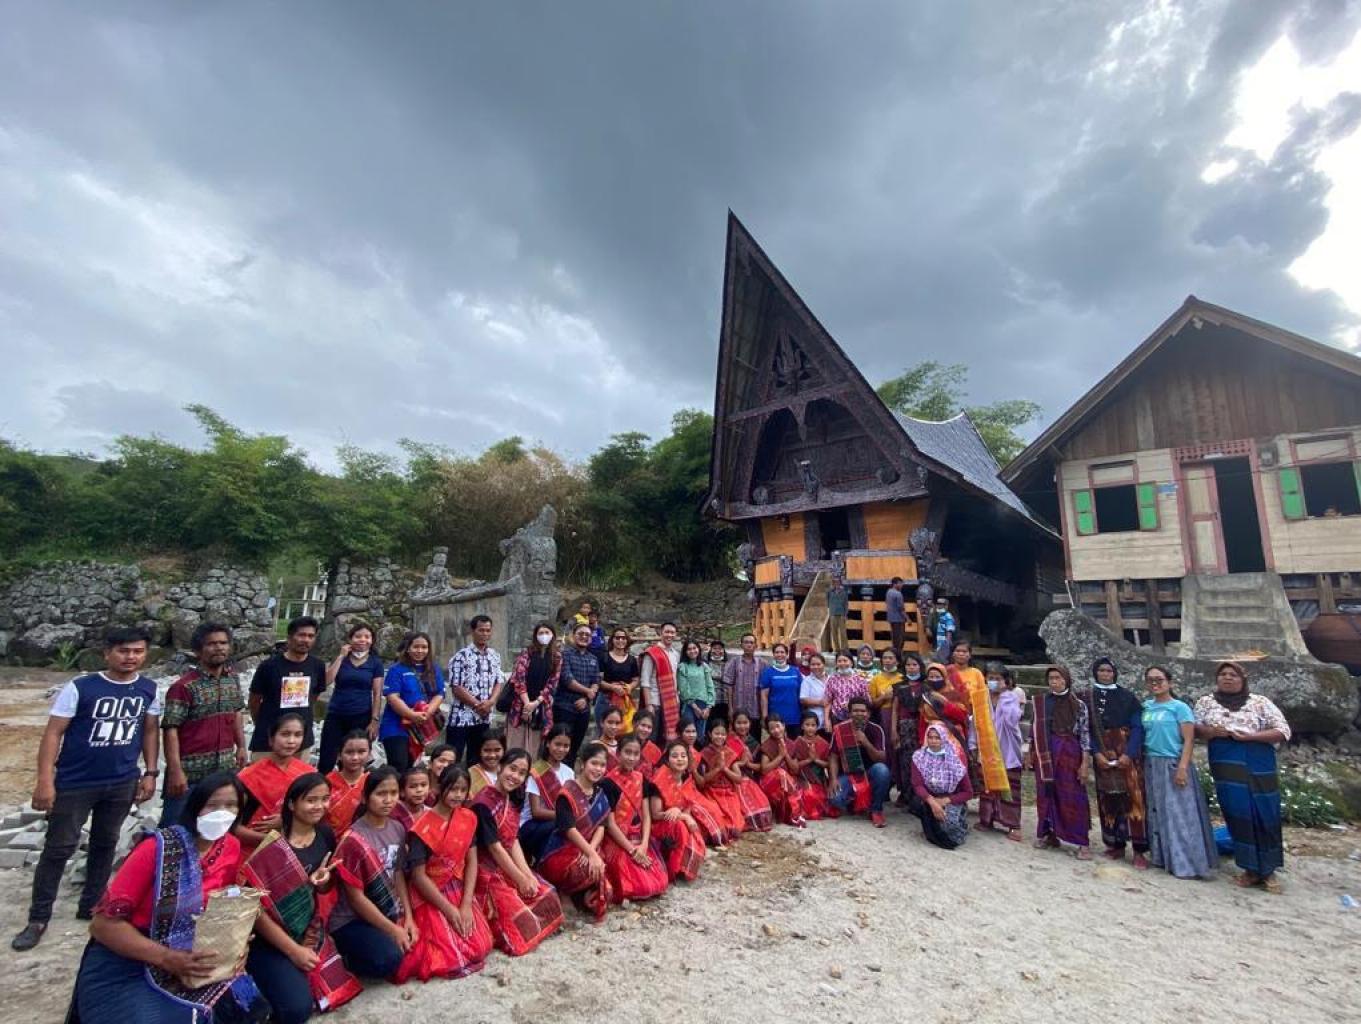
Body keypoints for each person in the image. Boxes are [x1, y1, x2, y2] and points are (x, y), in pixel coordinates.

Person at [67, 771, 267, 1022]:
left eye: (231, 806)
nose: (222, 813)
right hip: (132, 957)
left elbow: (218, 906)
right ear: (195, 807)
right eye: (213, 805)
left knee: (250, 1008)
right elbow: (103, 925)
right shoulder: (157, 849)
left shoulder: (230, 847)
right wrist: (168, 958)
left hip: (192, 951)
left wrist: (234, 940)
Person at [14, 626, 161, 952]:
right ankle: (38, 918)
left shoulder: (148, 689)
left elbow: (150, 731)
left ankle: (92, 904)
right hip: (76, 781)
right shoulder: (82, 687)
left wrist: (150, 772)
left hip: (122, 780)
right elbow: (54, 733)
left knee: (105, 843)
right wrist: (45, 780)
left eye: (138, 651)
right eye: (123, 651)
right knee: (59, 847)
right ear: (107, 653)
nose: (131, 657)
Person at [241, 773, 362, 1022]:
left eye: (325, 799)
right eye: (311, 800)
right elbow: (255, 911)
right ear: (292, 804)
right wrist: (293, 950)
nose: (319, 806)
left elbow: (324, 890)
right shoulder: (273, 848)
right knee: (296, 1010)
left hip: (310, 927)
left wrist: (323, 882)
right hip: (271, 938)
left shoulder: (325, 834)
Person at [1194, 662, 1292, 893]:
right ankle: (1250, 869)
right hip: (1225, 760)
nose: (1228, 678)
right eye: (1223, 674)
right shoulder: (1206, 702)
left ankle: (1268, 870)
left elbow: (1283, 731)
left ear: (1243, 679)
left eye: (1233, 674)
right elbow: (1195, 729)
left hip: (1258, 759)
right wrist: (1211, 732)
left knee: (1265, 810)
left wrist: (1250, 737)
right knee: (1237, 811)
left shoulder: (1259, 702)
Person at [395, 764, 494, 983]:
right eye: (452, 789)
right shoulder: (422, 828)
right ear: (439, 788)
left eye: (462, 790)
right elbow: (419, 876)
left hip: (458, 886)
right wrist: (449, 910)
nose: (457, 795)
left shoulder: (468, 817)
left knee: (481, 945)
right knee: (451, 956)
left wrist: (466, 903)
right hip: (430, 892)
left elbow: (472, 860)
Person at [470, 747, 564, 954]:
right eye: (512, 769)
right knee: (521, 924)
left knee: (548, 895)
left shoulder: (510, 797)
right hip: (486, 872)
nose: (515, 776)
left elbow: (512, 840)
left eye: (522, 773)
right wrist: (520, 879)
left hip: (506, 866)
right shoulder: (483, 803)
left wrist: (527, 875)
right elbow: (495, 848)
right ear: (500, 767)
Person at [329, 766, 415, 979]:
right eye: (381, 794)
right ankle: (345, 957)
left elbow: (398, 874)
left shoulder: (397, 828)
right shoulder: (353, 839)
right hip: (352, 919)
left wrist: (408, 917)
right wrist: (393, 929)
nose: (388, 800)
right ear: (365, 798)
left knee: (418, 946)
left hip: (386, 907)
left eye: (393, 793)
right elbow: (356, 899)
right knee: (389, 959)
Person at [161, 622, 247, 827]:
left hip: (224, 769)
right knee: (174, 828)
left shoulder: (232, 681)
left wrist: (241, 746)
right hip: (189, 775)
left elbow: (236, 713)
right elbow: (171, 729)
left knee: (217, 826)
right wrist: (175, 771)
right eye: (212, 644)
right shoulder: (183, 687)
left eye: (223, 643)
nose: (219, 648)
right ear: (198, 650)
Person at [1141, 666, 1217, 880]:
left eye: (1159, 679)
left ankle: (1188, 863)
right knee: (1157, 811)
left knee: (1180, 814)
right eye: (1150, 680)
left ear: (1169, 682)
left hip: (1173, 762)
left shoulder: (1180, 708)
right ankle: (1162, 857)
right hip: (1151, 762)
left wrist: (1182, 767)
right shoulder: (1146, 706)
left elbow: (1189, 740)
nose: (1155, 683)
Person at [537, 743, 616, 919]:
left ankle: (581, 893)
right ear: (582, 763)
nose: (598, 769)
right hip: (563, 849)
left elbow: (601, 826)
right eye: (594, 763)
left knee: (606, 887)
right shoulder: (567, 793)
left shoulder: (600, 793)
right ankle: (564, 891)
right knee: (580, 866)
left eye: (602, 765)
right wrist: (590, 854)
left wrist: (592, 850)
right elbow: (569, 830)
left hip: (589, 845)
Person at [1085, 657, 1149, 867]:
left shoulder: (1127, 697)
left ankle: (1139, 849)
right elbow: (1087, 729)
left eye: (1109, 671)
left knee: (1134, 797)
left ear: (1115, 673)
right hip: (1102, 750)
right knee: (1108, 797)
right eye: (1101, 670)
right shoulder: (1087, 697)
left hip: (1126, 749)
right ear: (1096, 673)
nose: (1105, 674)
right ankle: (1115, 844)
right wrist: (1096, 753)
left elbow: (1138, 727)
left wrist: (1129, 754)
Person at [1027, 666, 1093, 859]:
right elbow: (1033, 730)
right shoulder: (1041, 703)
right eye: (1051, 678)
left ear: (1066, 679)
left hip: (1069, 752)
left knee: (1073, 796)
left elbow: (1085, 735)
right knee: (1046, 793)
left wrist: (1084, 763)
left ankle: (1081, 842)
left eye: (1058, 678)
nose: (1054, 682)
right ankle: (1048, 834)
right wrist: (1029, 753)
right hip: (1046, 752)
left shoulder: (1078, 705)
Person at [602, 734, 670, 902]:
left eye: (636, 753)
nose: (631, 758)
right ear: (618, 754)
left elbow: (646, 815)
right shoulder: (608, 783)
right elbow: (610, 824)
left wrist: (644, 844)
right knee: (639, 886)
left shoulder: (641, 779)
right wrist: (632, 850)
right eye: (627, 752)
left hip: (638, 837)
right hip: (617, 839)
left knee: (660, 883)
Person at [947, 641, 1012, 815]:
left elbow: (984, 697)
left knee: (971, 759)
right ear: (953, 653)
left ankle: (970, 794)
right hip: (953, 722)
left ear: (970, 654)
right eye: (958, 651)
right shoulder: (947, 671)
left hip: (975, 719)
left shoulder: (976, 673)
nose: (961, 654)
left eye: (964, 651)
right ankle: (954, 796)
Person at [250, 616, 327, 757]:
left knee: (300, 772)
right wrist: (261, 723)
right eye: (301, 635)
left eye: (310, 636)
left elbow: (314, 697)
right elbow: (254, 700)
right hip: (268, 740)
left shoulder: (318, 666)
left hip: (301, 740)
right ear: (290, 637)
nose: (306, 640)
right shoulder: (268, 666)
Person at [236, 713, 313, 849]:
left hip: (296, 846)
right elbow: (232, 826)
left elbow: (316, 815)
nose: (291, 741)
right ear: (271, 739)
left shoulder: (309, 774)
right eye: (285, 734)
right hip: (250, 848)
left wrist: (287, 820)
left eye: (298, 735)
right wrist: (271, 840)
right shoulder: (248, 776)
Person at [317, 623, 384, 775]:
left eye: (367, 637)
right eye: (358, 636)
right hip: (336, 714)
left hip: (361, 715)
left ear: (372, 640)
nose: (362, 640)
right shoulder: (342, 659)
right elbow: (326, 681)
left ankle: (350, 787)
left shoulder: (375, 663)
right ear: (350, 639)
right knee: (327, 758)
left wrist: (374, 720)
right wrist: (341, 656)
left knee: (354, 758)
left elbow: (377, 693)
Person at [378, 632, 445, 773]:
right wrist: (411, 715)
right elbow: (392, 697)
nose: (420, 650)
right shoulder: (396, 669)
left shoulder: (433, 669)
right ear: (408, 648)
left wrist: (428, 712)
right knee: (399, 765)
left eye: (424, 647)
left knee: (412, 767)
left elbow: (439, 694)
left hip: (420, 725)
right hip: (396, 726)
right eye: (416, 647)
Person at [445, 615, 504, 766]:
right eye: (481, 630)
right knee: (453, 759)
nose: (485, 634)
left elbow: (498, 681)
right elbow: (456, 687)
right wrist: (478, 705)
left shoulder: (495, 656)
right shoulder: (461, 656)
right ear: (472, 631)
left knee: (477, 761)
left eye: (488, 630)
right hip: (461, 718)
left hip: (483, 718)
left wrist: (491, 702)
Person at [650, 739, 726, 851]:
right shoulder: (659, 781)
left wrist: (684, 814)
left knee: (705, 811)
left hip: (679, 816)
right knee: (682, 827)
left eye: (683, 756)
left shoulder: (686, 779)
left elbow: (688, 804)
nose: (680, 759)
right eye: (675, 756)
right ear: (667, 761)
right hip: (663, 823)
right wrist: (684, 816)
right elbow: (655, 815)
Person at [976, 664, 1024, 841]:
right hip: (987, 749)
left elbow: (1012, 720)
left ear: (1006, 681)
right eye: (991, 678)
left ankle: (1013, 824)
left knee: (1010, 788)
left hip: (1007, 750)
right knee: (988, 787)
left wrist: (1004, 696)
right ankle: (987, 819)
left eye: (998, 678)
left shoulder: (1012, 697)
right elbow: (975, 723)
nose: (994, 682)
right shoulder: (981, 698)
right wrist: (973, 745)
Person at [828, 696, 892, 826]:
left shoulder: (876, 729)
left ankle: (876, 810)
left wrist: (865, 742)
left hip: (870, 773)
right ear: (849, 713)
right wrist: (833, 779)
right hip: (848, 775)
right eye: (855, 711)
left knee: (882, 770)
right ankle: (855, 802)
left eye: (863, 711)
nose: (859, 714)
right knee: (835, 799)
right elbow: (833, 756)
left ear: (868, 713)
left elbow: (881, 758)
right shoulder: (840, 729)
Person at [911, 722, 974, 850]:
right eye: (930, 737)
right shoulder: (919, 757)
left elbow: (968, 792)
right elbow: (917, 785)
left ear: (943, 739)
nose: (933, 741)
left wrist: (946, 801)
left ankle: (959, 823)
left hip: (950, 799)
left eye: (937, 738)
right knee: (916, 804)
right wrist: (933, 803)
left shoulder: (954, 760)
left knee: (950, 827)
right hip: (929, 798)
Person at [521, 724, 575, 862]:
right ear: (548, 743)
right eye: (557, 744)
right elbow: (536, 811)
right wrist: (565, 816)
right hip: (531, 825)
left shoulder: (569, 772)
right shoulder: (536, 771)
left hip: (555, 822)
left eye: (566, 746)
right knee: (561, 826)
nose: (561, 749)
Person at [504, 623, 560, 754]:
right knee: (514, 747)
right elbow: (519, 679)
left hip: (540, 707)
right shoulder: (527, 653)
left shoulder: (557, 657)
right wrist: (527, 704)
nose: (544, 636)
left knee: (534, 748)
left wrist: (535, 703)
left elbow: (552, 683)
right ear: (535, 636)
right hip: (519, 705)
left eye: (547, 632)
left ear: (553, 635)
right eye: (541, 633)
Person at [555, 622, 600, 763]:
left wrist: (586, 699)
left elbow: (596, 681)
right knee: (559, 745)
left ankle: (568, 773)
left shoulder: (593, 659)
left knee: (574, 748)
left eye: (587, 635)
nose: (584, 637)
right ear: (573, 636)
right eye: (581, 634)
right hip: (564, 708)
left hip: (583, 710)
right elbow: (567, 679)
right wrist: (588, 692)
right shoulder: (565, 655)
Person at [696, 720, 746, 840]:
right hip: (711, 791)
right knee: (720, 819)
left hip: (729, 792)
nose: (720, 737)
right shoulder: (704, 753)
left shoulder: (730, 753)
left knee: (736, 826)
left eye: (723, 734)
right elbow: (703, 780)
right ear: (710, 734)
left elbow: (739, 779)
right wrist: (718, 768)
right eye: (716, 733)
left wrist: (725, 769)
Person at [726, 713, 774, 832]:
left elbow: (760, 767)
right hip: (730, 778)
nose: (742, 726)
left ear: (750, 724)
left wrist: (747, 764)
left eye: (745, 723)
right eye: (739, 723)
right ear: (733, 724)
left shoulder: (754, 743)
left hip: (749, 778)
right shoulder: (727, 741)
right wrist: (738, 764)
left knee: (761, 806)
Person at [757, 715, 808, 827]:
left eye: (778, 726)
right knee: (780, 774)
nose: (776, 730)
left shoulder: (791, 744)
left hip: (789, 780)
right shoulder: (767, 745)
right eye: (772, 728)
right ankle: (792, 815)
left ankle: (790, 814)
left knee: (792, 783)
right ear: (768, 731)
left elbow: (795, 769)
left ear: (784, 726)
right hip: (770, 782)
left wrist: (786, 755)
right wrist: (780, 756)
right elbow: (764, 770)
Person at [890, 653, 927, 801]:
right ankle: (906, 794)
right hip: (904, 728)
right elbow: (895, 710)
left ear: (920, 667)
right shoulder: (899, 686)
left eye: (914, 665)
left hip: (921, 727)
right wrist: (894, 731)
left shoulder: (926, 686)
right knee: (905, 761)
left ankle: (920, 795)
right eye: (908, 665)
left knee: (921, 761)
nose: (911, 668)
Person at [639, 622, 682, 740]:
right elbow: (645, 681)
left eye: (672, 632)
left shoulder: (676, 654)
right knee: (652, 737)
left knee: (668, 737)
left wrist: (677, 699)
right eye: (667, 632)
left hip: (671, 702)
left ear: (676, 635)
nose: (670, 635)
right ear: (660, 633)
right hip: (655, 702)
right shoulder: (652, 653)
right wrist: (649, 705)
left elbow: (675, 679)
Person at [325, 731, 371, 839]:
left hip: (364, 841)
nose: (355, 757)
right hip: (328, 840)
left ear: (369, 754)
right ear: (339, 755)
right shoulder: (326, 782)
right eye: (349, 752)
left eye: (361, 752)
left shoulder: (372, 782)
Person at [720, 633, 766, 739]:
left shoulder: (763, 664)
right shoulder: (734, 662)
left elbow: (765, 690)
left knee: (755, 740)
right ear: (741, 645)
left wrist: (764, 712)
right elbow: (729, 687)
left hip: (755, 710)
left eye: (751, 642)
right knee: (737, 740)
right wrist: (730, 708)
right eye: (746, 642)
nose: (749, 645)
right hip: (738, 709)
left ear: (755, 645)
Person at [791, 711, 833, 820]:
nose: (810, 728)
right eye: (807, 725)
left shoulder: (823, 743)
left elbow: (829, 764)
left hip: (819, 781)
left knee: (816, 796)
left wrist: (816, 760)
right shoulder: (796, 743)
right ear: (802, 726)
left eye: (813, 725)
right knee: (805, 795)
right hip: (802, 780)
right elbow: (794, 766)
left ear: (817, 727)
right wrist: (809, 760)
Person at [598, 628, 640, 730]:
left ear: (627, 640)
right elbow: (598, 680)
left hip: (625, 701)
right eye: (617, 638)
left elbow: (636, 679)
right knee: (605, 731)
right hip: (606, 700)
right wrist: (612, 687)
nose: (620, 640)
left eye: (623, 638)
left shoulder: (632, 660)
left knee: (625, 730)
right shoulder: (604, 657)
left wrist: (629, 686)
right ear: (612, 640)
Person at [759, 643, 803, 736]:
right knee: (777, 743)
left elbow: (801, 693)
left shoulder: (795, 671)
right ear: (773, 654)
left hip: (794, 716)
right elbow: (764, 697)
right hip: (775, 717)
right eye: (777, 652)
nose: (779, 654)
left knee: (794, 743)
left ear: (787, 654)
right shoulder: (768, 672)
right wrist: (764, 716)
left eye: (782, 652)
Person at [677, 639, 715, 743]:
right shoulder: (683, 667)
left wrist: (709, 707)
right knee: (688, 734)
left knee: (700, 735)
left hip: (704, 705)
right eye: (689, 649)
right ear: (685, 652)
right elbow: (683, 689)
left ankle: (699, 753)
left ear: (698, 649)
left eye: (694, 648)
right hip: (689, 705)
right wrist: (695, 708)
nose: (692, 651)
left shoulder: (704, 666)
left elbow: (710, 686)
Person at [824, 651, 871, 725]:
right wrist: (827, 720)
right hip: (836, 718)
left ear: (851, 663)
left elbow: (867, 701)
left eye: (845, 661)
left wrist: (852, 704)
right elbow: (828, 702)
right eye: (839, 661)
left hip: (857, 718)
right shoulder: (832, 680)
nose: (842, 663)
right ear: (836, 664)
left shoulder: (860, 680)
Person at [394, 765, 432, 830]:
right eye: (413, 786)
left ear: (429, 788)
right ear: (402, 792)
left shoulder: (430, 813)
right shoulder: (394, 812)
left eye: (423, 785)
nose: (419, 790)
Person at [799, 651, 830, 730]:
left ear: (824, 664)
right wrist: (819, 702)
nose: (816, 667)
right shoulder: (807, 681)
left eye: (818, 664)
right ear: (809, 666)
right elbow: (803, 699)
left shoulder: (831, 679)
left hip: (830, 719)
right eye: (813, 664)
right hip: (814, 721)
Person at [468, 732, 505, 798]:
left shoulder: (508, 771)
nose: (492, 755)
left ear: (504, 750)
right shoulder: (470, 775)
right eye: (487, 750)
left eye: (497, 750)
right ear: (479, 751)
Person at [633, 709, 663, 779]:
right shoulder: (623, 743)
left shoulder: (655, 751)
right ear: (634, 724)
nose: (645, 730)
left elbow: (657, 775)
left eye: (649, 727)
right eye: (643, 725)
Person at [827, 578, 850, 655]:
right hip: (833, 614)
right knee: (834, 632)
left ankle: (844, 648)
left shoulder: (844, 592)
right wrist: (830, 610)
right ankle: (837, 649)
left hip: (841, 614)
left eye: (838, 582)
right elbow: (827, 601)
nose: (836, 584)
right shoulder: (830, 592)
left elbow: (846, 604)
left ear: (840, 583)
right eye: (835, 582)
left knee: (843, 632)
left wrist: (845, 614)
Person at [885, 578, 908, 656]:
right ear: (895, 584)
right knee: (900, 640)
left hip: (891, 618)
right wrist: (907, 618)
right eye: (900, 583)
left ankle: (896, 653)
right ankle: (898, 655)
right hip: (899, 619)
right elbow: (901, 608)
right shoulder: (898, 594)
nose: (902, 585)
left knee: (894, 639)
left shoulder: (888, 592)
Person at [932, 598, 956, 663]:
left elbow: (949, 629)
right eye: (937, 604)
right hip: (939, 643)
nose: (938, 606)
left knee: (943, 661)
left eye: (941, 604)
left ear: (946, 606)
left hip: (944, 643)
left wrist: (947, 642)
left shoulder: (948, 616)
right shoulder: (939, 616)